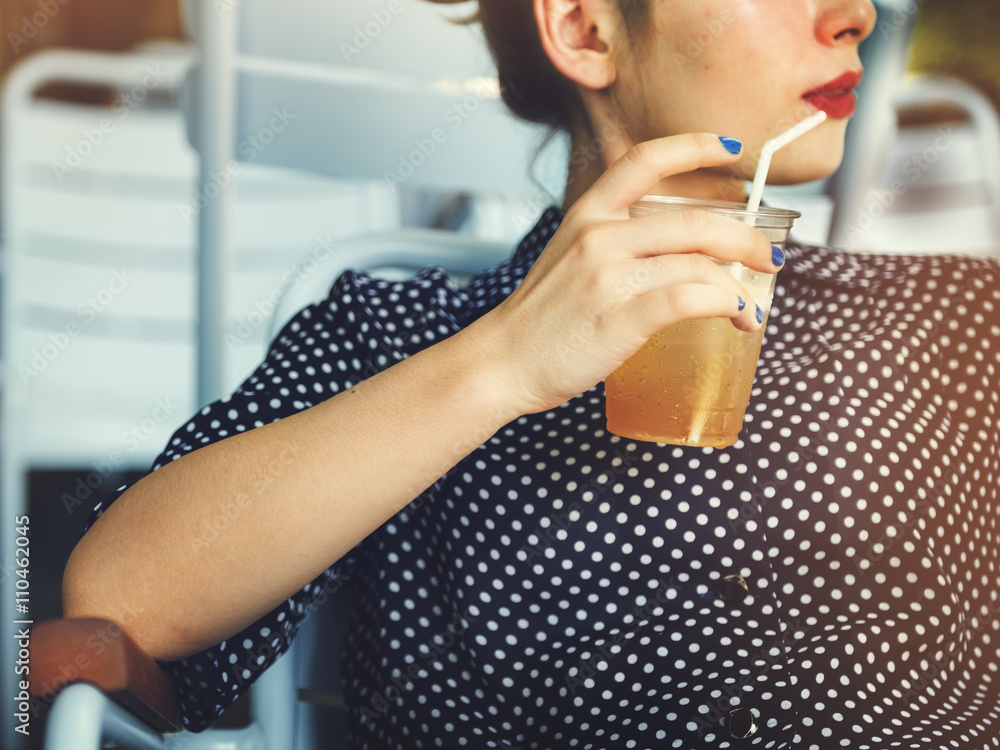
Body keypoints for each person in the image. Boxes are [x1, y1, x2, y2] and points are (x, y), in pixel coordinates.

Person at [62, 0, 1000, 747]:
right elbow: (115, 604)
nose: (855, 15)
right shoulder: (398, 334)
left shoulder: (956, 316)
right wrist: (504, 363)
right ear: (586, 29)